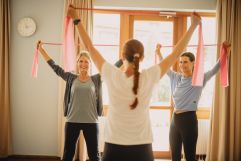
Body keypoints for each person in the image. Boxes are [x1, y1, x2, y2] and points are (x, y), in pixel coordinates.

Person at [67, 4, 201, 161]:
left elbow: (89, 47)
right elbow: (176, 53)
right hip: (142, 147)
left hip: (113, 145)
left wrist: (76, 19)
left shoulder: (111, 74)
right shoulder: (150, 76)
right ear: (142, 57)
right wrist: (193, 26)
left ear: (122, 55)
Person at [37, 42, 123, 161]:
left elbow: (111, 69)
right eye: (81, 61)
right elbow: (55, 67)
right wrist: (42, 50)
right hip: (72, 121)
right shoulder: (70, 78)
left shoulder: (96, 79)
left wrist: (123, 59)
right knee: (68, 154)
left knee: (94, 156)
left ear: (90, 64)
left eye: (86, 61)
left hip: (91, 122)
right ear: (77, 63)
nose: (83, 64)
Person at [156, 42, 231, 161]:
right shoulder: (176, 77)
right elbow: (164, 66)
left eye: (185, 61)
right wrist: (158, 53)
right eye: (180, 62)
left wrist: (225, 51)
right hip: (175, 120)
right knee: (175, 156)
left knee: (190, 156)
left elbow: (215, 69)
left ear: (193, 63)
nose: (182, 64)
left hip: (189, 120)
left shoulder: (199, 79)